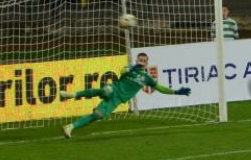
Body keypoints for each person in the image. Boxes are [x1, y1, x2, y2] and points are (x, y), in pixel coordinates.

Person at [61, 51, 191, 138]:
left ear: (147, 63)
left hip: (117, 100)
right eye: (140, 59)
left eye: (144, 60)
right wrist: (134, 67)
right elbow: (122, 71)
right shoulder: (129, 68)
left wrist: (176, 92)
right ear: (137, 60)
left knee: (98, 115)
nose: (142, 61)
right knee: (105, 91)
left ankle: (70, 127)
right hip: (114, 89)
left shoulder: (147, 78)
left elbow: (160, 88)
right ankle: (71, 94)